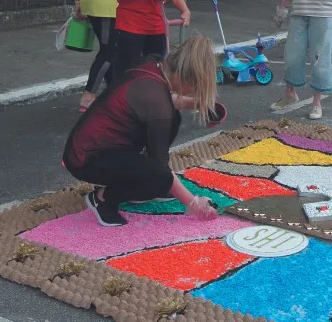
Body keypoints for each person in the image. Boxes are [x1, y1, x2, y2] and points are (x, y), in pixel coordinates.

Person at [62, 35, 220, 226]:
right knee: (159, 177)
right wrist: (193, 203)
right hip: (86, 158)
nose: (188, 93)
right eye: (192, 88)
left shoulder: (155, 64)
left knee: (172, 123)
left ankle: (144, 185)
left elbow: (168, 99)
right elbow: (161, 167)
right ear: (185, 76)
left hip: (91, 145)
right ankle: (103, 199)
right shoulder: (155, 100)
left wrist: (201, 104)